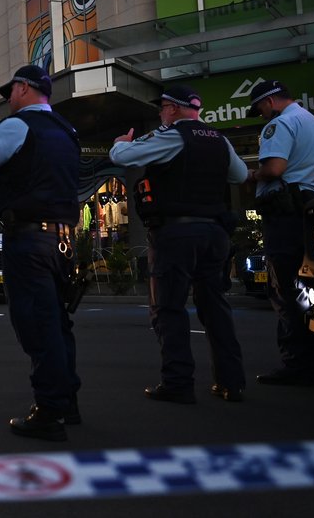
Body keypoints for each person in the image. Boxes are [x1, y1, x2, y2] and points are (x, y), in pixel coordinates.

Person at [0, 64, 81, 441]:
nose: (8, 99)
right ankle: (67, 401)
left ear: (23, 89)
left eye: (10, 92)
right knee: (57, 321)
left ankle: (50, 410)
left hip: (28, 238)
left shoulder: (17, 126)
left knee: (37, 321)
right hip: (64, 238)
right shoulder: (67, 130)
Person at [109, 86, 249, 403]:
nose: (160, 114)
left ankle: (178, 382)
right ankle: (232, 382)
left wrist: (120, 145)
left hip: (176, 234)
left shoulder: (173, 137)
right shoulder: (219, 140)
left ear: (172, 109)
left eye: (162, 109)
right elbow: (240, 176)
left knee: (169, 308)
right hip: (214, 234)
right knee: (215, 307)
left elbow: (124, 157)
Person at [246, 80, 314, 386]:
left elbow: (274, 168)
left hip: (285, 214)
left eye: (259, 109)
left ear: (269, 102)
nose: (260, 115)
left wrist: (252, 174)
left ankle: (296, 363)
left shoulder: (280, 124)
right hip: (311, 210)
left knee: (284, 289)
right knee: (310, 289)